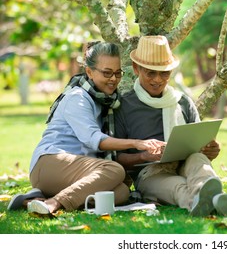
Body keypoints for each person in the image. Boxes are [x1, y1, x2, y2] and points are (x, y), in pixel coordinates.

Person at [8, 41, 163, 214]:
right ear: (89, 72)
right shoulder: (77, 98)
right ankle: (54, 202)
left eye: (117, 73)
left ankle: (35, 200)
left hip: (77, 172)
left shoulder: (106, 101)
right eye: (107, 73)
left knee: (121, 192)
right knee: (113, 170)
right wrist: (136, 143)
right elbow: (94, 139)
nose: (113, 79)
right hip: (50, 163)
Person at [114, 35, 227, 217]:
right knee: (178, 188)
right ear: (137, 69)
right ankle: (216, 201)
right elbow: (115, 158)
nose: (158, 80)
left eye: (164, 73)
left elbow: (198, 142)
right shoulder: (124, 106)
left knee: (200, 161)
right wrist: (144, 156)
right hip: (150, 173)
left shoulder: (182, 102)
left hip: (186, 163)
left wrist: (212, 150)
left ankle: (209, 200)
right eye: (150, 72)